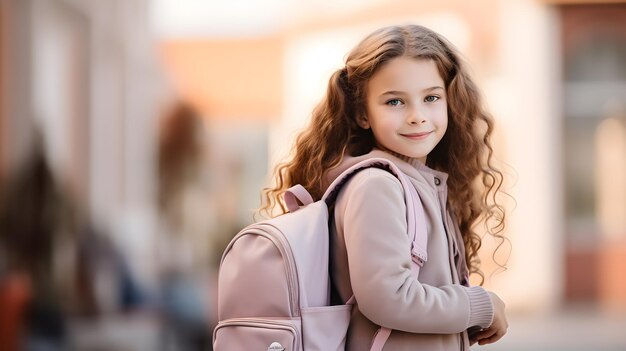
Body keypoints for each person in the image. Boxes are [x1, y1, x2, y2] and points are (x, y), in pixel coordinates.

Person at [259, 24, 509, 350]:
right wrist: (481, 305)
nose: (417, 116)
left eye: (431, 97)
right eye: (394, 102)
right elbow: (389, 298)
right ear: (363, 113)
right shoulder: (377, 186)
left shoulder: (418, 184)